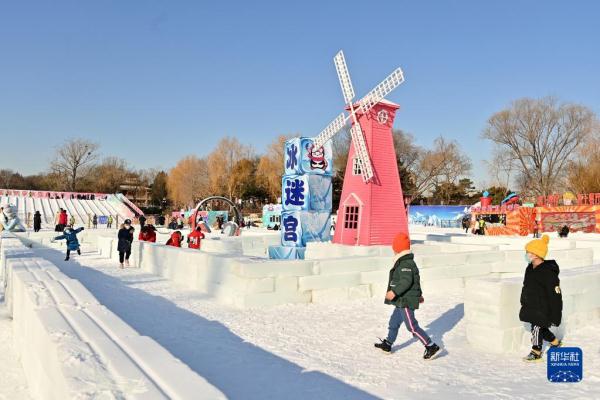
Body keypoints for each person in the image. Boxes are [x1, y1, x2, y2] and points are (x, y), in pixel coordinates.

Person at [374, 233, 441, 360]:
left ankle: (430, 346)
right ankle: (388, 344)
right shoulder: (404, 262)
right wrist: (419, 295)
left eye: (394, 248)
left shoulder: (406, 263)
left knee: (412, 326)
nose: (393, 250)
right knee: (393, 322)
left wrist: (393, 292)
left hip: (405, 300)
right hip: (401, 300)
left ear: (398, 248)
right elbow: (416, 279)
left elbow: (406, 281)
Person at [519, 234, 563, 362]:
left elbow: (555, 295)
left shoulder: (547, 272)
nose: (526, 254)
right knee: (540, 328)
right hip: (532, 305)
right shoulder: (530, 268)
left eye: (528, 252)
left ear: (536, 254)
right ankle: (554, 342)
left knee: (537, 328)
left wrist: (555, 315)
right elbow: (526, 286)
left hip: (543, 307)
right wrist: (524, 300)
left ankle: (536, 351)